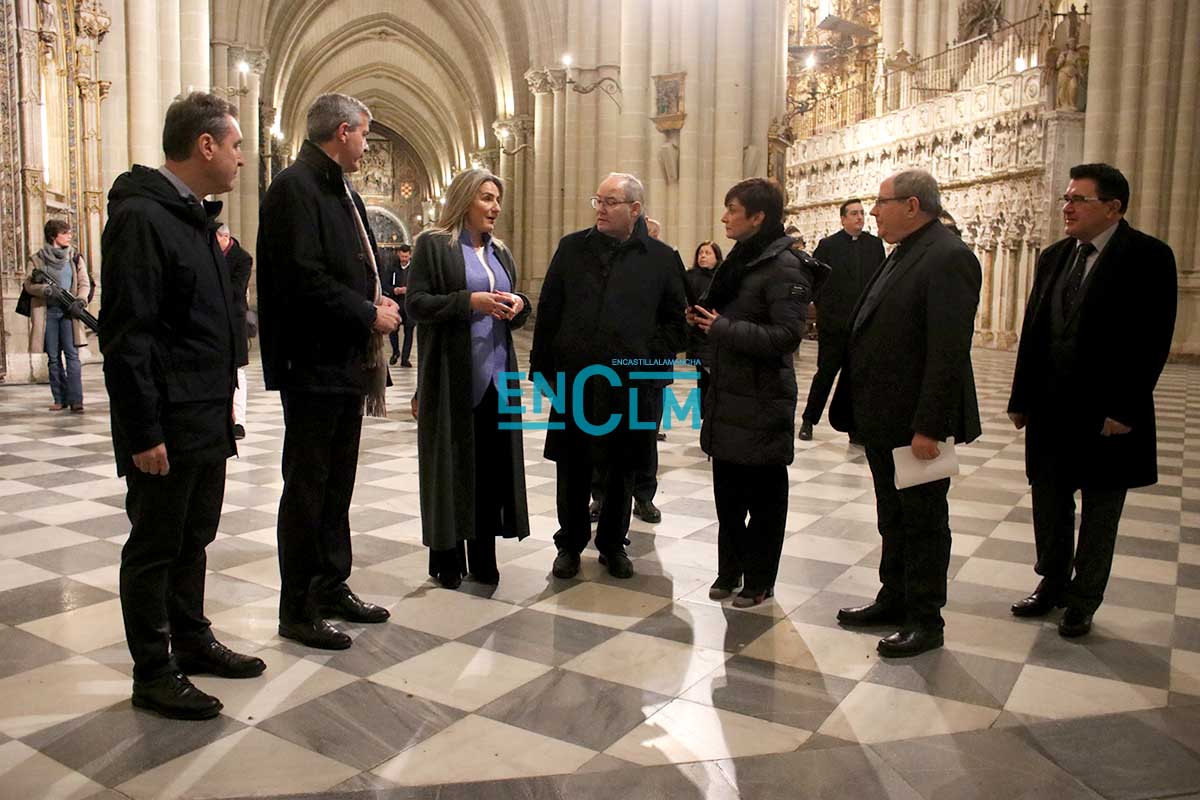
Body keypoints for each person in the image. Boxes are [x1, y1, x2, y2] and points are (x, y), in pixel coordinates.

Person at [100, 92, 265, 720]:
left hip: (205, 410)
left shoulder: (192, 216)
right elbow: (128, 335)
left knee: (194, 536)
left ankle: (192, 639)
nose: (241, 158)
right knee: (154, 545)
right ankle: (152, 670)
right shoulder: (144, 217)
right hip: (166, 419)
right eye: (236, 145)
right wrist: (143, 431)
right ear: (205, 146)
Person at [1007, 163, 1177, 638]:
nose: (1067, 207)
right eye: (1066, 198)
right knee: (1050, 500)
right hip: (1050, 407)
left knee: (1101, 509)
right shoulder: (1056, 255)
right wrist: (1021, 398)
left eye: (1078, 199)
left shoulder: (1149, 257)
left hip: (1106, 413)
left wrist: (1123, 409)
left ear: (1113, 207)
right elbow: (1034, 331)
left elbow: (1152, 341)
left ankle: (1085, 597)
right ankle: (1053, 582)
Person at [257, 93, 401, 651]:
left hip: (344, 361)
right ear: (343, 131)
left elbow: (356, 267)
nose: (367, 145)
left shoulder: (341, 190)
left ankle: (329, 583)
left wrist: (377, 304)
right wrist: (369, 312)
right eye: (365, 134)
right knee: (308, 485)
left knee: (337, 482)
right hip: (313, 361)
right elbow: (302, 278)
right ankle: (296, 607)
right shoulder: (295, 188)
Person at [829, 168, 982, 658]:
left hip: (918, 425)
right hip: (882, 418)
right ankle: (893, 598)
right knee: (892, 518)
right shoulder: (903, 253)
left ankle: (925, 618)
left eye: (881, 202)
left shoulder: (948, 257)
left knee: (923, 521)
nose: (872, 211)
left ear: (912, 206)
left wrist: (930, 427)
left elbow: (947, 351)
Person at [531, 172, 688, 580]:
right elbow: (549, 310)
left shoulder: (661, 258)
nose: (600, 208)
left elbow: (676, 323)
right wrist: (544, 371)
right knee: (572, 465)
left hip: (633, 383)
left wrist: (647, 361)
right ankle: (569, 544)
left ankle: (613, 545)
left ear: (635, 210)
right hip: (578, 378)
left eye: (610, 202)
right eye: (597, 200)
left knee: (623, 468)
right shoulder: (571, 249)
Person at [691, 179, 823, 608]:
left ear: (758, 217)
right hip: (729, 393)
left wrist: (722, 327)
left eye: (732, 209)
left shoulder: (786, 266)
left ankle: (760, 579)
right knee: (727, 494)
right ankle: (729, 570)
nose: (725, 217)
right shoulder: (742, 260)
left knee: (764, 499)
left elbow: (788, 334)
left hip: (764, 398)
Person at [406, 168, 532, 589]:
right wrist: (468, 301)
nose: (495, 206)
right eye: (486, 197)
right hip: (452, 374)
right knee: (450, 461)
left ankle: (484, 550)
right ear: (464, 199)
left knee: (490, 464)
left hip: (498, 373)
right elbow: (418, 305)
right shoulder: (433, 245)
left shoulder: (502, 252)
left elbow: (510, 307)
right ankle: (445, 554)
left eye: (497, 198)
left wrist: (519, 305)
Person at [799, 198, 886, 442]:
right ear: (843, 218)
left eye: (861, 213)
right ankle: (808, 420)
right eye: (854, 214)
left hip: (862, 326)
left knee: (856, 377)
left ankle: (855, 427)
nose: (860, 217)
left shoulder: (874, 245)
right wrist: (823, 306)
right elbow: (814, 278)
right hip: (834, 324)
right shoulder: (828, 245)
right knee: (825, 373)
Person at [24, 218, 90, 413]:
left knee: (72, 356)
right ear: (54, 236)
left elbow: (84, 283)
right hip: (48, 314)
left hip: (69, 314)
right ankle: (59, 398)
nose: (69, 235)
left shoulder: (75, 257)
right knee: (53, 357)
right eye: (65, 232)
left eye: (70, 232)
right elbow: (29, 285)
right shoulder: (37, 259)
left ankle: (76, 400)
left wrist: (81, 300)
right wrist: (45, 290)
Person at [216, 223, 252, 439]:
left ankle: (238, 421)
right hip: (213, 321)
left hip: (233, 321)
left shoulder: (242, 258)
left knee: (237, 372)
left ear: (225, 237)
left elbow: (236, 290)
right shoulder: (209, 254)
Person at [685, 241, 722, 417]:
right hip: (698, 335)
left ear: (717, 257)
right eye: (700, 253)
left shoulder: (722, 277)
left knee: (717, 380)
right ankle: (705, 417)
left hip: (717, 333)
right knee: (703, 381)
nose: (703, 256)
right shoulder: (690, 276)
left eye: (708, 253)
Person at [382, 243, 416, 367]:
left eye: (406, 257)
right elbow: (384, 284)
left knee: (409, 331)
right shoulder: (392, 268)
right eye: (402, 256)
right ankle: (395, 352)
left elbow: (419, 284)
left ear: (410, 255)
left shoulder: (415, 269)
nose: (404, 259)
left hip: (409, 304)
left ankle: (405, 358)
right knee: (393, 329)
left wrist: (410, 289)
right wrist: (394, 290)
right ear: (398, 255)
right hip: (396, 303)